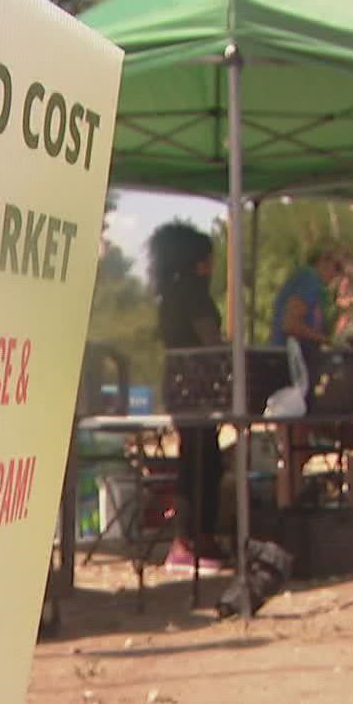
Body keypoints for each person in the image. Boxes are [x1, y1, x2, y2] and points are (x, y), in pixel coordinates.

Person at [149, 222, 226, 572]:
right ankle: (189, 540)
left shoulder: (169, 293)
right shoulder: (194, 294)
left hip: (179, 387)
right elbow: (210, 339)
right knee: (201, 462)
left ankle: (197, 538)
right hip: (197, 387)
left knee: (197, 459)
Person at [268, 246, 347, 352]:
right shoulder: (309, 279)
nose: (338, 275)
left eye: (341, 271)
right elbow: (290, 324)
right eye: (337, 267)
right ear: (322, 261)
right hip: (288, 358)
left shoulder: (319, 289)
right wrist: (326, 340)